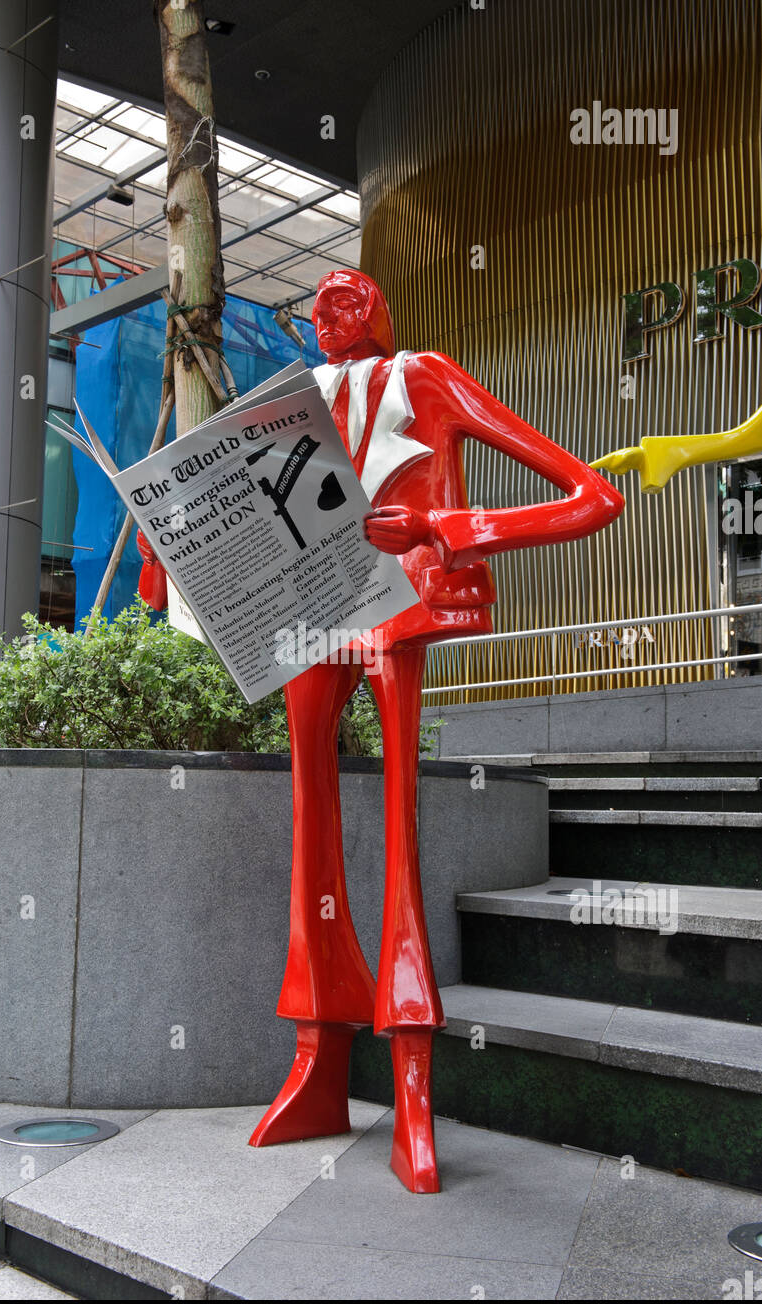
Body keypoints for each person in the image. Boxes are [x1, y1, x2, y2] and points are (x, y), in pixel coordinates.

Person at [137, 268, 625, 1192]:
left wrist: (448, 523)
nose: (326, 319)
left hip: (395, 613)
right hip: (304, 614)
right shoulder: (291, 402)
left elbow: (591, 498)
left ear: (376, 309)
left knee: (399, 834)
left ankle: (411, 1089)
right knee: (308, 832)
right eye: (316, 309)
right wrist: (172, 551)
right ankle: (316, 1066)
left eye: (343, 303)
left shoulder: (427, 376)